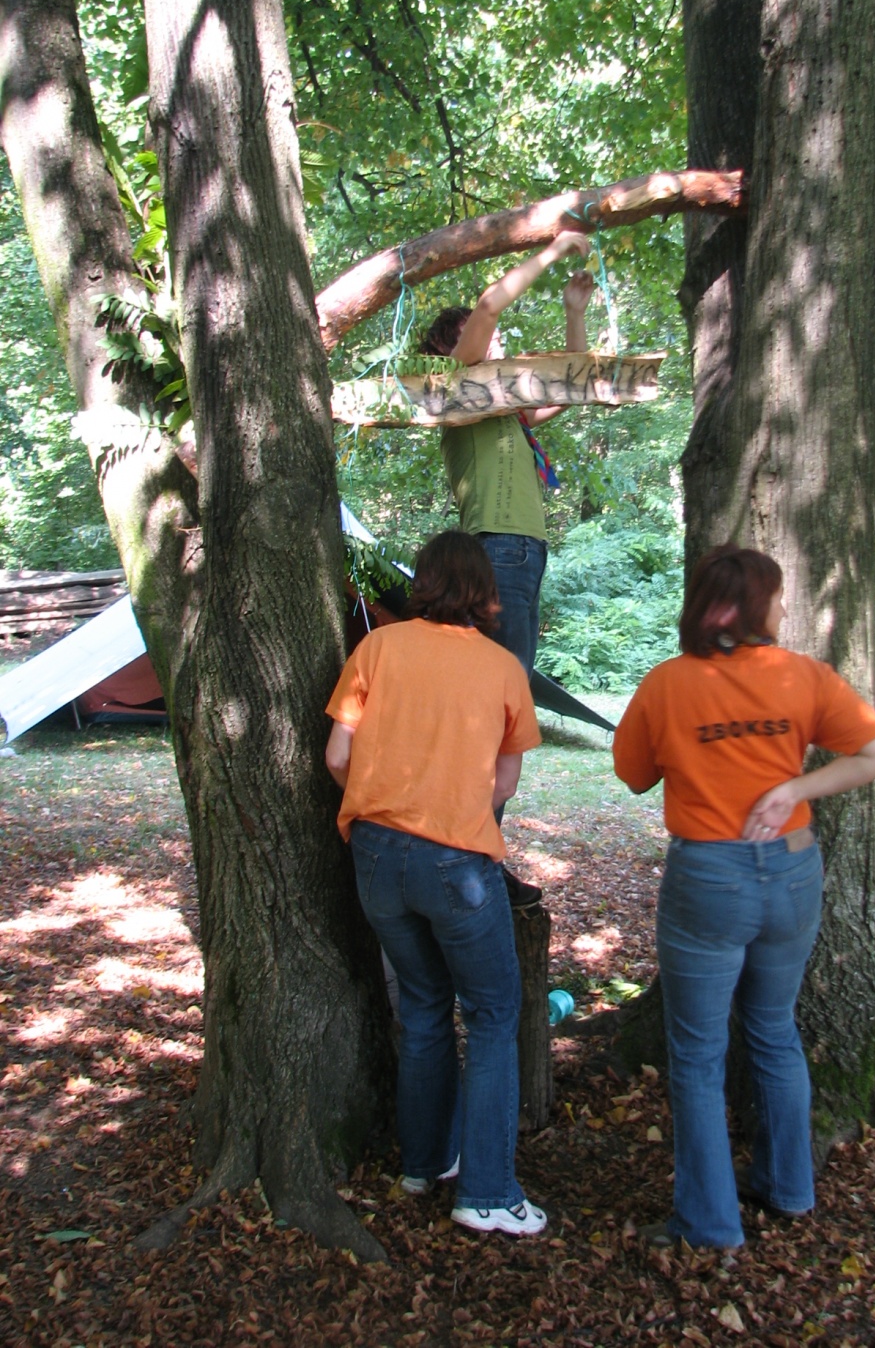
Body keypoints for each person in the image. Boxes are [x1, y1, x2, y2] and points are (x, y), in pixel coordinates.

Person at [612, 546, 875, 1250]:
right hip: (793, 871)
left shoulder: (667, 685)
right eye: (775, 596)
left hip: (708, 881)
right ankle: (788, 1188)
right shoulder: (803, 678)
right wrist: (795, 787)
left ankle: (709, 1222)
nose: (781, 607)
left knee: (699, 1053)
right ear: (748, 607)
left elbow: (633, 775)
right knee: (773, 1032)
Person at [325, 530, 548, 1237]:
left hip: (373, 854)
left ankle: (423, 1164)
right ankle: (485, 1191)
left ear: (420, 583)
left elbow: (338, 753)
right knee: (490, 1015)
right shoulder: (501, 667)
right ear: (484, 592)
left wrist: (383, 800)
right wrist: (447, 808)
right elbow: (504, 781)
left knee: (422, 1008)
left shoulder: (376, 649)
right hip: (455, 862)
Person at [424, 230, 595, 906]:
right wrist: (552, 249)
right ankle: (469, 864)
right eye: (472, 336)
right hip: (500, 553)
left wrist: (575, 306)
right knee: (495, 715)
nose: (490, 341)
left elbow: (574, 384)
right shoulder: (460, 389)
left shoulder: (507, 411)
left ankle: (471, 856)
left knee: (493, 713)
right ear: (449, 349)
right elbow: (488, 313)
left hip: (515, 555)